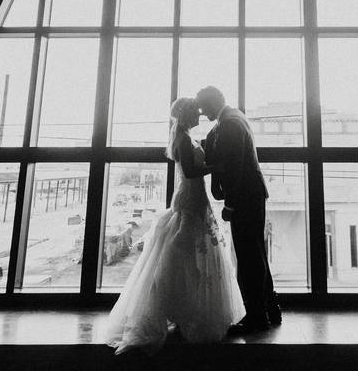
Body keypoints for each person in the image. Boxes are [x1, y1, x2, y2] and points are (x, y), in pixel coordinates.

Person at [103, 97, 244, 355]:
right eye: (195, 112)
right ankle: (180, 310)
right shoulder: (182, 139)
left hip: (197, 198)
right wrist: (217, 166)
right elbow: (190, 173)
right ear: (186, 115)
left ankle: (188, 311)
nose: (200, 115)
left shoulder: (185, 137)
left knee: (193, 255)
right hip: (190, 198)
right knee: (184, 255)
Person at [196, 85, 281, 336]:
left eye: (204, 108)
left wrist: (230, 204)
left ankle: (256, 317)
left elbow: (235, 168)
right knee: (256, 255)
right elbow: (221, 143)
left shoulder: (230, 124)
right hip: (253, 196)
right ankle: (269, 309)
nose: (202, 113)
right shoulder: (233, 117)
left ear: (213, 103)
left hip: (244, 197)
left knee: (247, 258)